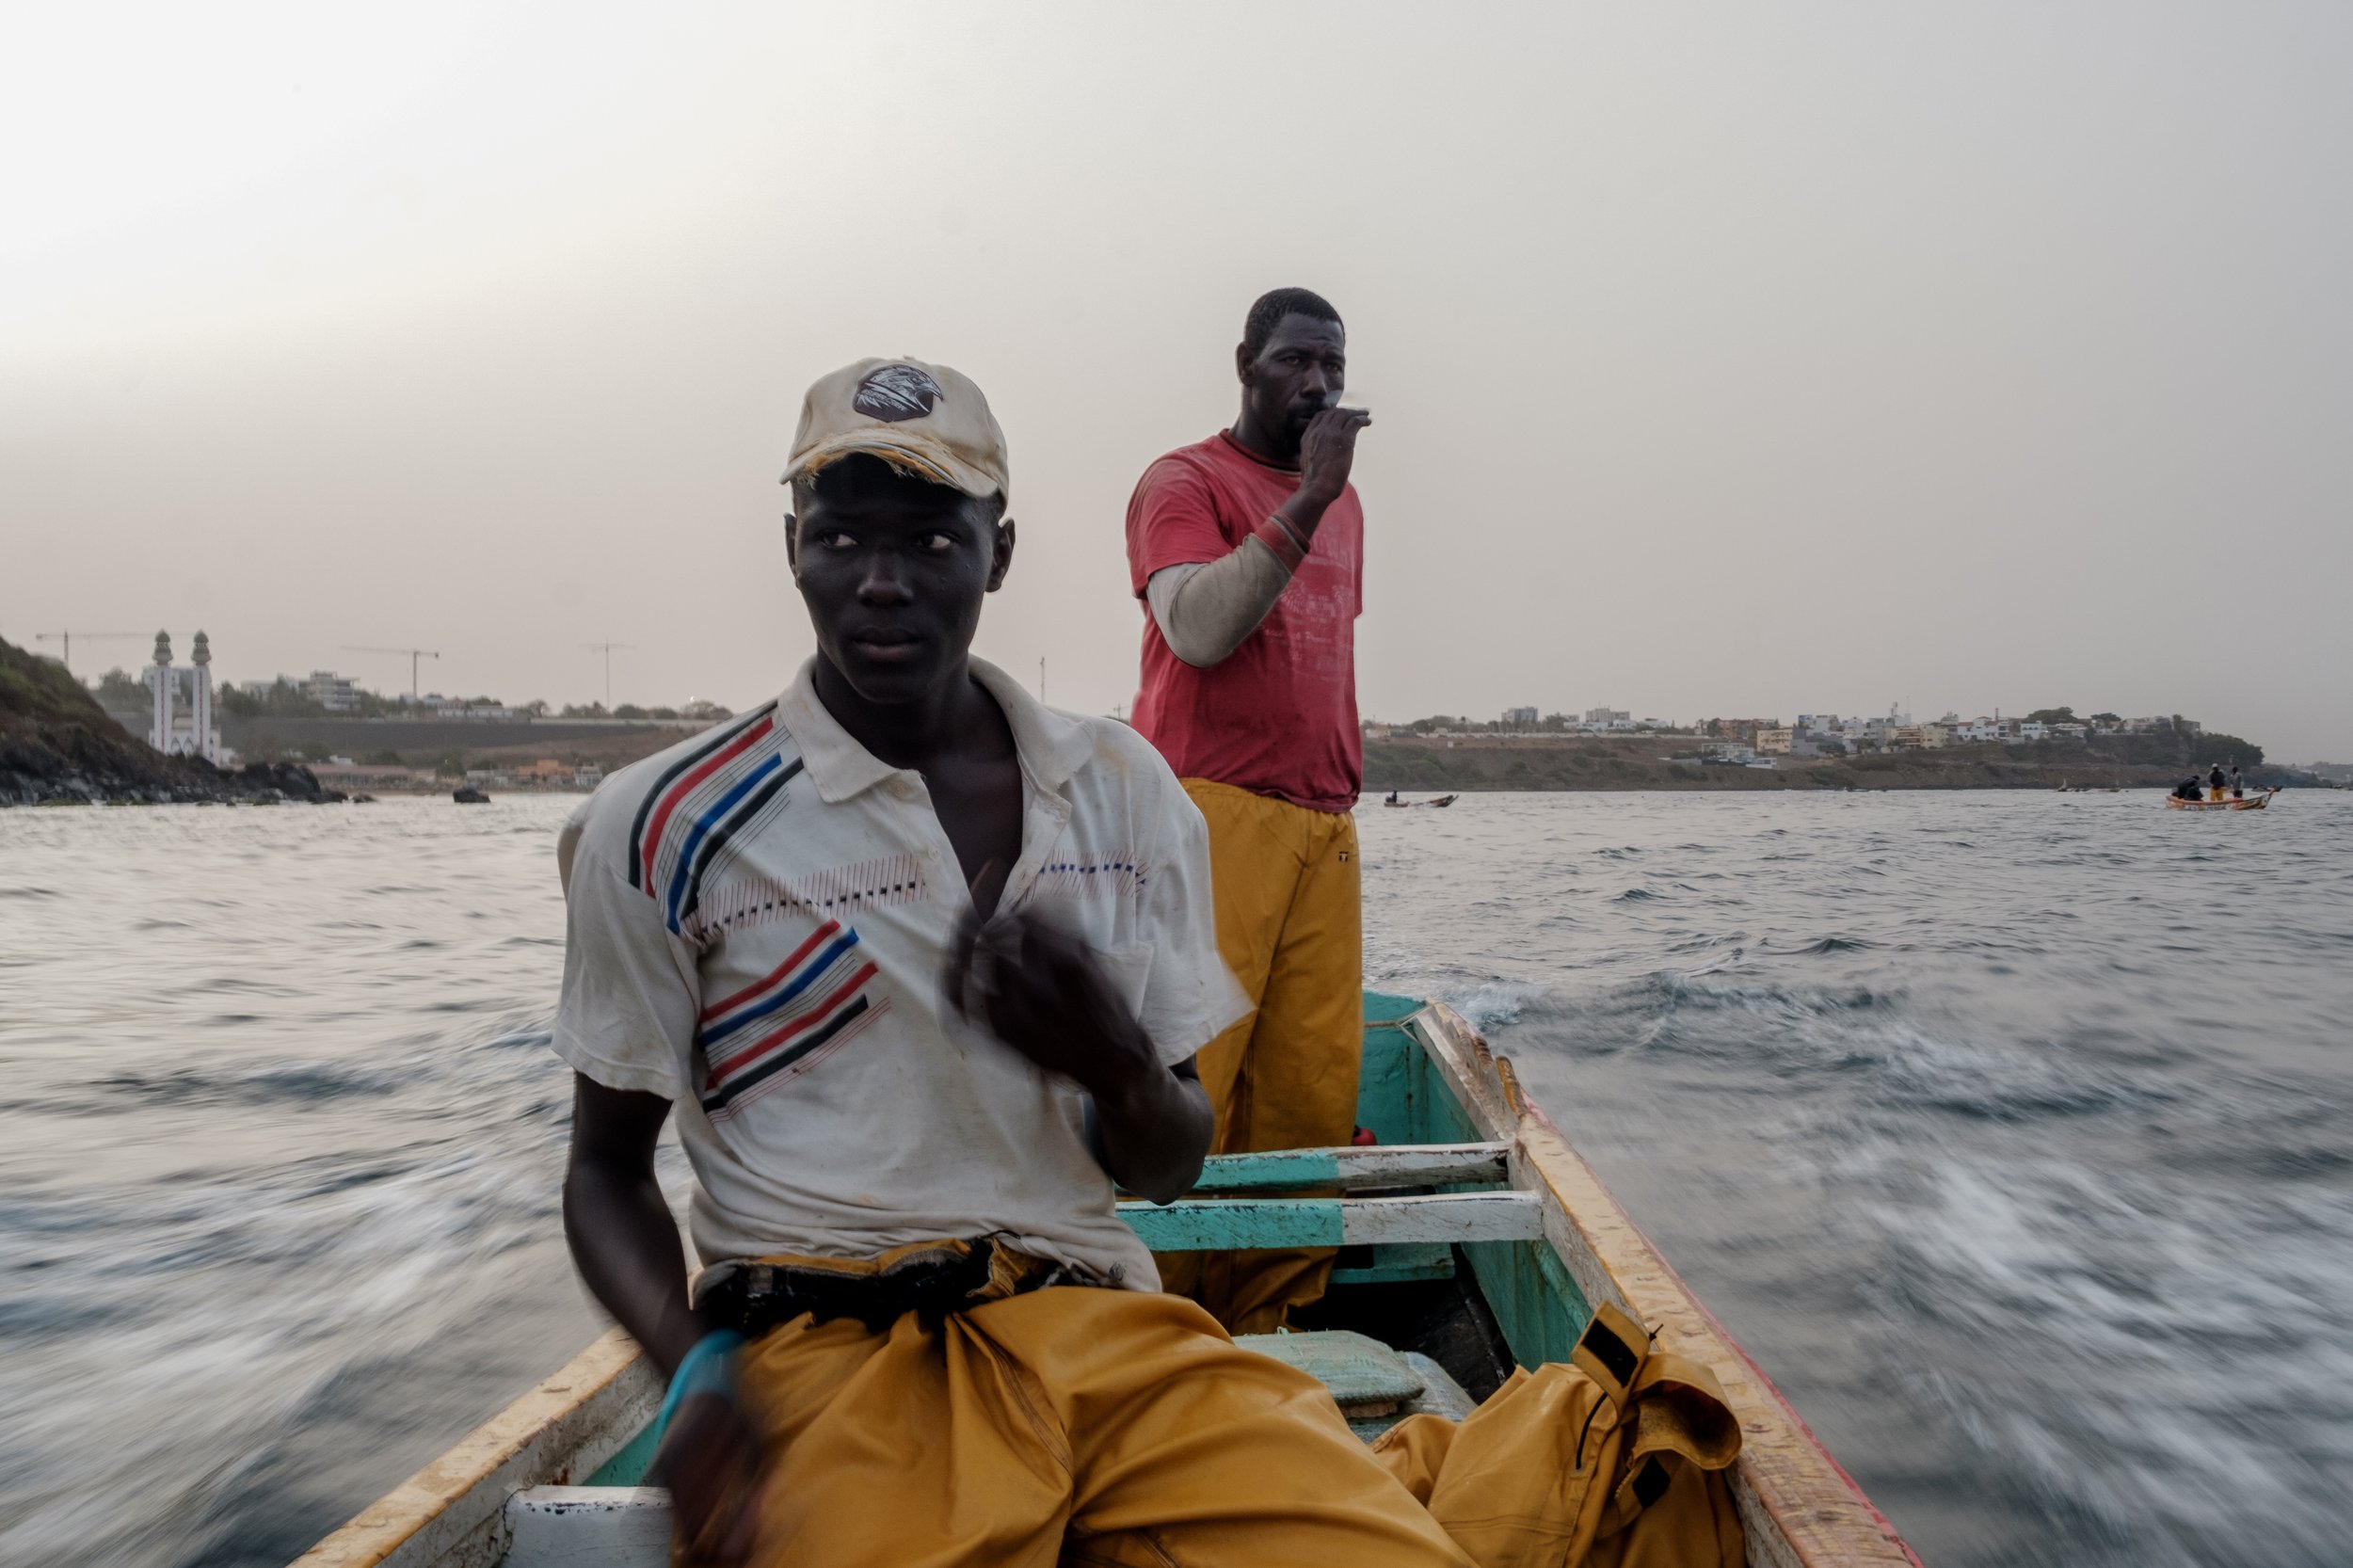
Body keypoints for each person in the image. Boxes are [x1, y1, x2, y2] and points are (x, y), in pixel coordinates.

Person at [552, 357, 1743, 1568]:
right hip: (824, 1349)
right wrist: (691, 1368)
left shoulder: (1124, 791)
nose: (879, 582)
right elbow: (604, 1171)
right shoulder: (662, 825)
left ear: (998, 550)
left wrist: (1120, 1069)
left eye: (929, 540)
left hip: (1101, 1327)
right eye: (841, 535)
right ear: (791, 544)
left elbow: (1172, 1164)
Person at [1125, 286, 1372, 1333]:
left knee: (1308, 1088)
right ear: (1245, 363)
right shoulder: (1184, 480)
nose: (1315, 384)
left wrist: (1323, 496)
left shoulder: (1348, 504)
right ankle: (1158, 1319)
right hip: (1207, 812)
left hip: (1323, 824)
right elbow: (1195, 630)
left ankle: (1271, 1316)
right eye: (1294, 361)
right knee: (1196, 1079)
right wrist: (1306, 499)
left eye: (1331, 365)